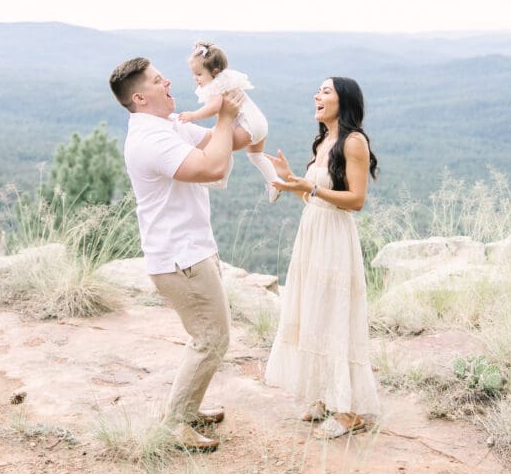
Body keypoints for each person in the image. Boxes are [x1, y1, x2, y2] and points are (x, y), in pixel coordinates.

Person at [109, 56, 243, 453]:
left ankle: (187, 410)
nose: (167, 80)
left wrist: (230, 103)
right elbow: (212, 167)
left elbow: (235, 140)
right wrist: (224, 118)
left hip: (193, 250)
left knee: (209, 336)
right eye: (155, 79)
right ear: (139, 97)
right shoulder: (150, 140)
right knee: (211, 338)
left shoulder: (167, 126)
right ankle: (174, 424)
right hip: (180, 259)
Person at [264, 76, 380, 439]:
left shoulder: (353, 141)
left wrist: (309, 186)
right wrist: (292, 181)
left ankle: (349, 411)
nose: (317, 95)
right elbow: (315, 196)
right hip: (312, 232)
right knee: (313, 309)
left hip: (334, 237)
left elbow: (356, 200)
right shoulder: (324, 140)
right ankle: (326, 395)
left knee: (334, 314)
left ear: (343, 101)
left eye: (325, 91)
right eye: (318, 90)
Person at [178, 41, 280, 202]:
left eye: (198, 74)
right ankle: (275, 182)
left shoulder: (216, 86)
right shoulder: (227, 80)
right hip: (259, 124)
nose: (195, 78)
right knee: (256, 156)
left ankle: (220, 178)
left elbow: (214, 107)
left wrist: (193, 115)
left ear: (215, 71)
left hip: (247, 128)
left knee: (222, 144)